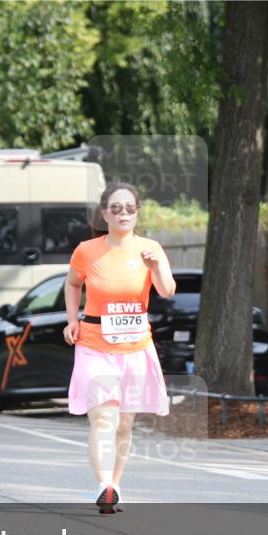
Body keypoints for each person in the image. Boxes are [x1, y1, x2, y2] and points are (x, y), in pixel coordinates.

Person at [63, 183, 175, 514]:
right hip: (95, 344)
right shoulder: (87, 250)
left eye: (129, 208)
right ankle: (104, 485)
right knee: (103, 418)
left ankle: (116, 484)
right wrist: (72, 320)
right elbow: (72, 283)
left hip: (136, 346)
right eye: (116, 208)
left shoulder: (150, 248)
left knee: (125, 424)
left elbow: (167, 290)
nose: (123, 213)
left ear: (137, 212)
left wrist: (155, 267)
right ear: (104, 214)